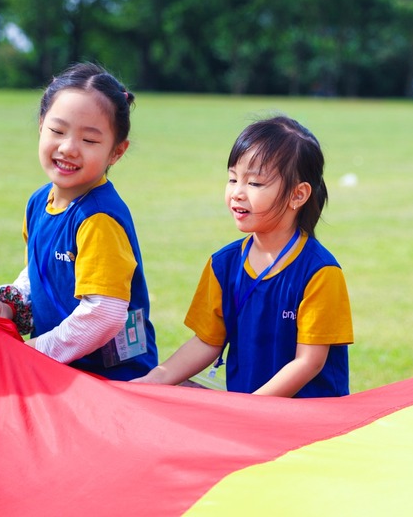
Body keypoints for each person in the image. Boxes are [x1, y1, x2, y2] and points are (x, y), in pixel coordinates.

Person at [134, 116, 353, 397]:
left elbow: (309, 362)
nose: (237, 193)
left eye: (255, 183)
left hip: (309, 417)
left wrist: (253, 406)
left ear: (297, 195)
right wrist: (154, 379)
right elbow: (207, 342)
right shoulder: (223, 264)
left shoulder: (320, 272)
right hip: (249, 413)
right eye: (233, 179)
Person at [0, 62, 157, 381]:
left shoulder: (98, 218)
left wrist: (35, 351)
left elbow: (105, 313)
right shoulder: (38, 203)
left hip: (113, 380)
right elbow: (40, 273)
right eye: (58, 131)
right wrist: (9, 304)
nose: (69, 148)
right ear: (41, 126)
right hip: (58, 372)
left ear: (116, 152)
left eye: (89, 140)